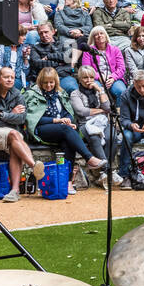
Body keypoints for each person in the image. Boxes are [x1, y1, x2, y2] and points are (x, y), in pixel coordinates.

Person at [25, 67, 107, 195]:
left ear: (56, 82)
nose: (49, 85)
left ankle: (67, 182)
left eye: (51, 82)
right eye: (45, 82)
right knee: (65, 129)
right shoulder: (32, 94)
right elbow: (33, 119)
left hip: (61, 130)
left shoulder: (60, 93)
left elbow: (68, 113)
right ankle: (89, 158)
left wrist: (69, 121)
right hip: (41, 129)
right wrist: (57, 121)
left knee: (69, 142)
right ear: (40, 82)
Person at [0, 65, 42, 203]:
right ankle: (33, 165)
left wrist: (1, 115)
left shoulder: (17, 94)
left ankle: (14, 191)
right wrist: (11, 115)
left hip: (11, 135)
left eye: (12, 77)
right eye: (6, 77)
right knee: (14, 133)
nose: (10, 80)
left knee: (14, 139)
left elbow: (22, 118)